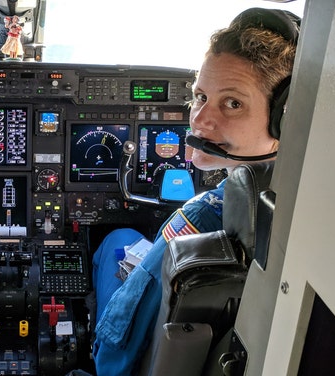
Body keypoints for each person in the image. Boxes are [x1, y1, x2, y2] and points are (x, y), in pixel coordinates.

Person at [91, 8, 299, 375]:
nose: (201, 120)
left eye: (232, 103)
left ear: (286, 118)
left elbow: (113, 349)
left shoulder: (204, 213)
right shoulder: (300, 200)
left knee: (117, 238)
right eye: (200, 96)